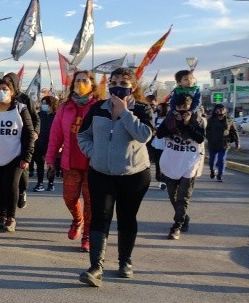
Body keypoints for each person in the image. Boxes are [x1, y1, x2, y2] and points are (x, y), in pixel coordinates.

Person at [77, 67, 154, 287]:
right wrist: (95, 154)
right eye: (115, 82)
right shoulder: (97, 109)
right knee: (100, 217)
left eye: (123, 83)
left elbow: (144, 135)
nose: (118, 86)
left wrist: (125, 113)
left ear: (133, 86)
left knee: (127, 217)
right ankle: (95, 268)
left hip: (134, 174)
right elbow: (83, 135)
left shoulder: (141, 109)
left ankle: (125, 261)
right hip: (101, 173)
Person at [46, 70, 99, 252]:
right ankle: (77, 220)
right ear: (73, 84)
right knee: (69, 198)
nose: (81, 83)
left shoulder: (100, 106)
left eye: (85, 80)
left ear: (92, 83)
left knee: (91, 202)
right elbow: (55, 135)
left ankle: (87, 237)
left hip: (93, 164)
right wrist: (50, 158)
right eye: (78, 80)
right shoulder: (65, 107)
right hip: (71, 162)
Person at [0, 79, 35, 233]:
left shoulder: (20, 109)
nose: (1, 91)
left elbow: (29, 135)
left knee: (11, 186)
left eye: (5, 88)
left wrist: (26, 157)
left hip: (15, 156)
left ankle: (11, 218)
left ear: (12, 91)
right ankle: (1, 215)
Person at [156, 94, 206, 240]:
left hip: (189, 162)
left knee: (183, 197)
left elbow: (200, 138)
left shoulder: (198, 119)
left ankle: (176, 226)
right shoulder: (170, 118)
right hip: (172, 161)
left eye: (185, 107)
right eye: (179, 107)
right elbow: (159, 135)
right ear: (175, 107)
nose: (182, 110)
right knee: (173, 196)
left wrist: (187, 123)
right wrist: (173, 124)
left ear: (191, 106)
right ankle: (184, 218)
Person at [3, 72, 40, 210]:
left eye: (9, 82)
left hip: (24, 137)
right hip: (8, 139)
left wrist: (35, 132)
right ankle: (7, 197)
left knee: (23, 167)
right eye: (4, 81)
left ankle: (22, 191)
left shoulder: (24, 99)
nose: (6, 84)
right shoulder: (0, 99)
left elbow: (36, 118)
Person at [204, 103, 240, 182]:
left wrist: (238, 143)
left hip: (224, 144)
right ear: (215, 110)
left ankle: (220, 175)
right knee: (212, 160)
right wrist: (209, 138)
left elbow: (234, 131)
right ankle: (212, 171)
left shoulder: (229, 120)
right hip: (213, 144)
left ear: (225, 110)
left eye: (222, 109)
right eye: (219, 109)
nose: (221, 111)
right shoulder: (211, 120)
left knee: (221, 160)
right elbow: (206, 130)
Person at [33, 95, 58, 192]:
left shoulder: (56, 116)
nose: (44, 105)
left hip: (51, 144)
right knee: (39, 164)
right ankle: (40, 183)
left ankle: (51, 183)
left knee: (50, 165)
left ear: (51, 104)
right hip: (39, 144)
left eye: (46, 103)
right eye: (42, 103)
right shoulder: (39, 115)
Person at [149, 101, 169, 190]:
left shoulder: (168, 118)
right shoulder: (156, 116)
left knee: (165, 163)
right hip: (156, 142)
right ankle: (159, 178)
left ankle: (164, 180)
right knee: (158, 162)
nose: (158, 108)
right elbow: (151, 125)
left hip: (166, 143)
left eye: (160, 107)